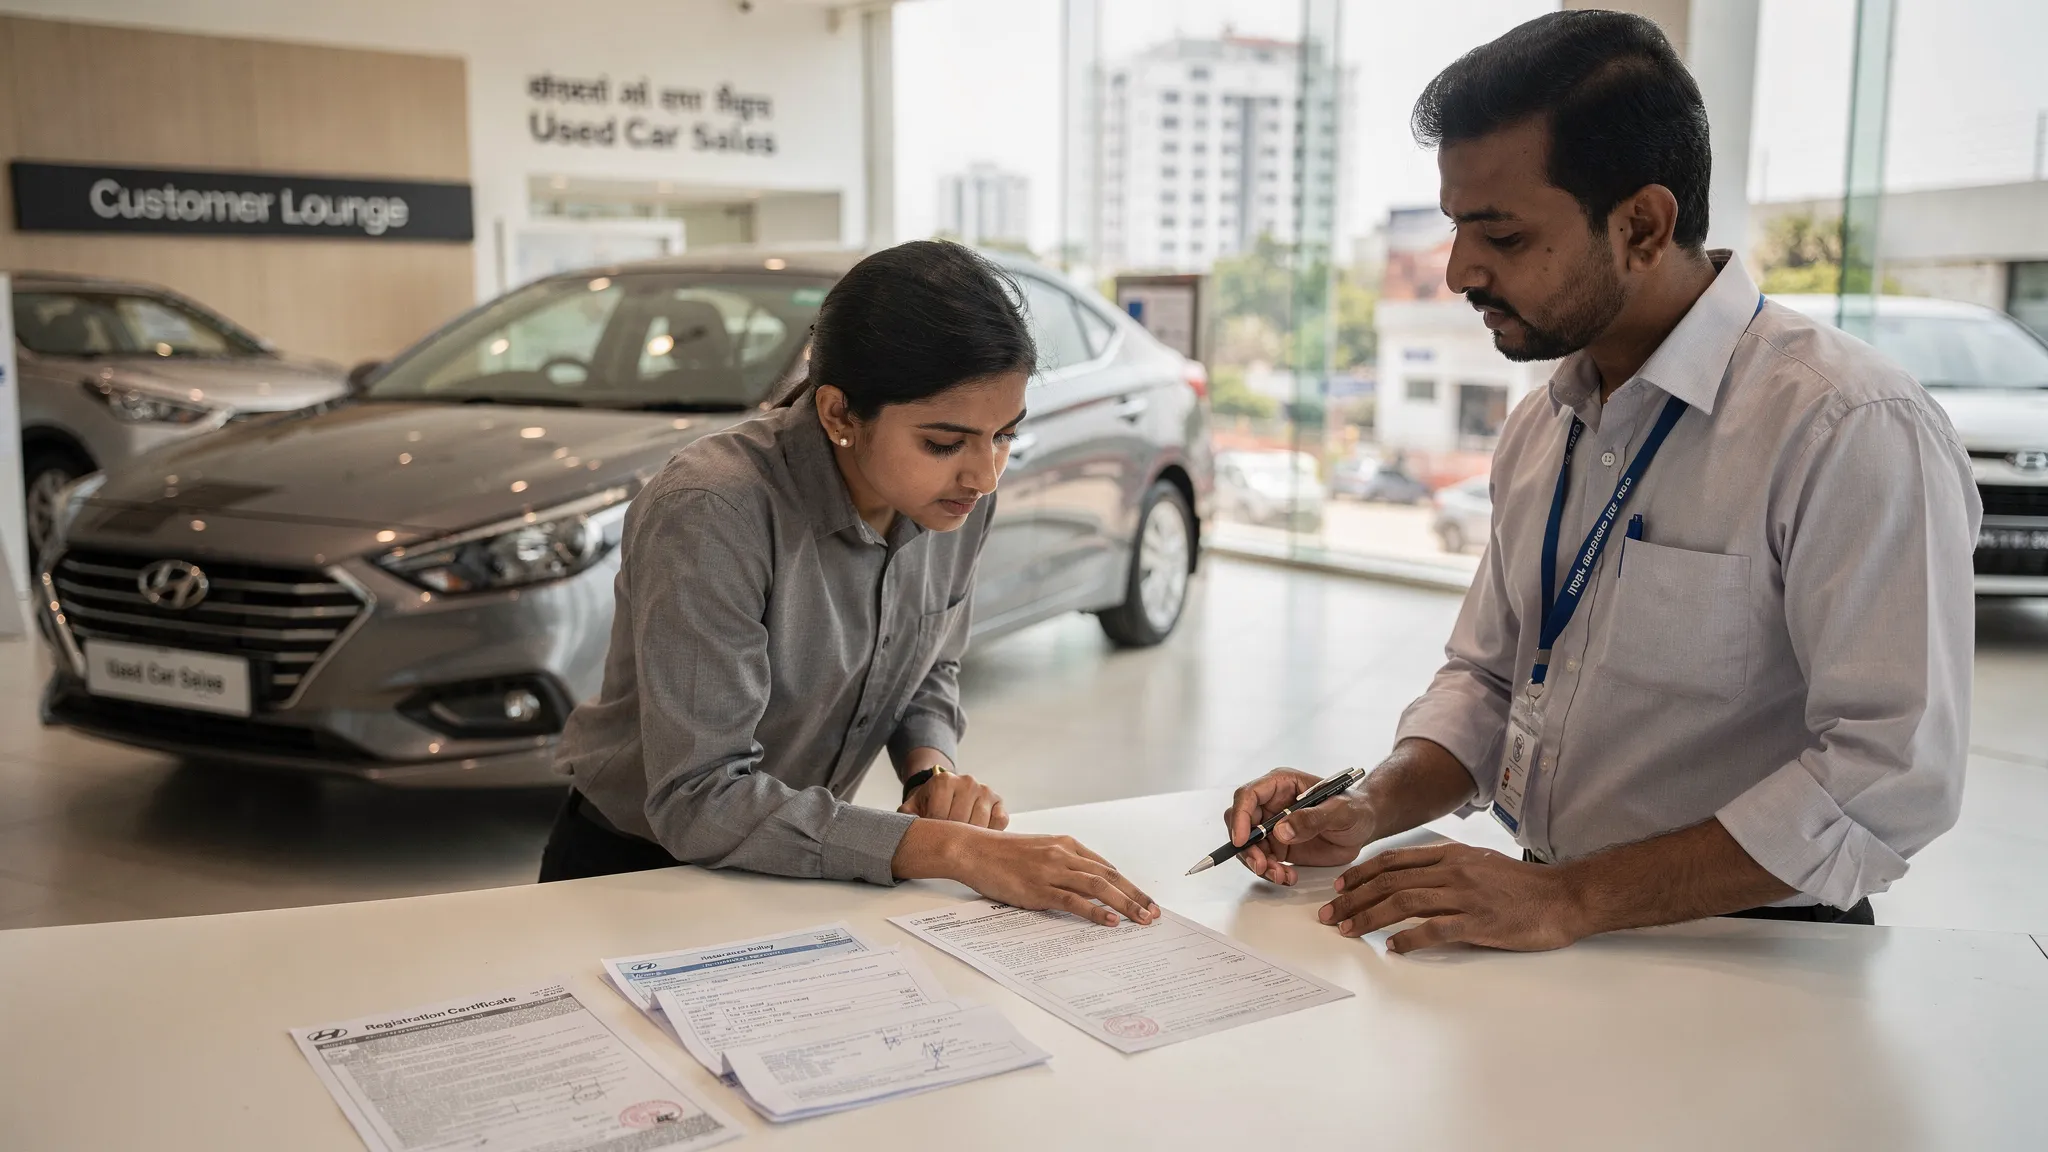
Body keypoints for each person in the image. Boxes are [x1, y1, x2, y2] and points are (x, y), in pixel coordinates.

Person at [1225, 10, 1978, 953]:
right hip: (1545, 927)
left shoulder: (1847, 426)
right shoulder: (1546, 423)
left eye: (1498, 234)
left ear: (1642, 225)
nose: (1460, 270)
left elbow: (1886, 777)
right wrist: (1372, 803)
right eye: (1459, 227)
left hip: (1753, 958)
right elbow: (1493, 679)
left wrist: (1573, 898)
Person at [542, 240, 1158, 930]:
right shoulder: (714, 510)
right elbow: (700, 797)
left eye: (1004, 436)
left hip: (802, 864)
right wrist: (956, 849)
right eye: (945, 443)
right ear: (838, 414)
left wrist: (929, 772)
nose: (984, 477)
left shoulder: (953, 499)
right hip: (637, 878)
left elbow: (928, 663)